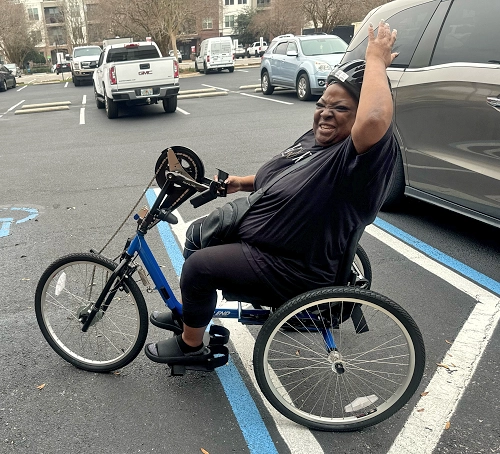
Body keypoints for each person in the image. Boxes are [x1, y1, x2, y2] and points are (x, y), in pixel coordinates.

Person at [145, 21, 400, 365]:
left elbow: (373, 120)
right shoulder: (318, 141)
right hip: (272, 244)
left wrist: (376, 61)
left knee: (198, 269)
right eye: (323, 103)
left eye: (340, 109)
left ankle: (192, 347)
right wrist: (241, 182)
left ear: (357, 118)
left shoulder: (356, 161)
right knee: (197, 233)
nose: (325, 113)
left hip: (295, 265)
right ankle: (193, 317)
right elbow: (284, 176)